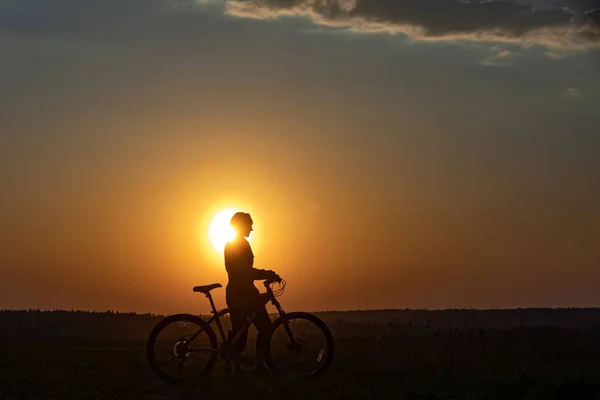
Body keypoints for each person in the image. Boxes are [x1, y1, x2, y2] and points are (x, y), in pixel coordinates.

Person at [224, 211, 280, 375]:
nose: (252, 229)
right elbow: (242, 271)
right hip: (240, 294)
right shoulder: (235, 245)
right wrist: (266, 274)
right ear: (241, 226)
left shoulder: (240, 244)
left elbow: (245, 271)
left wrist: (264, 274)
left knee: (263, 328)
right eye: (249, 225)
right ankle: (243, 366)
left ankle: (257, 366)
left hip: (247, 292)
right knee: (242, 333)